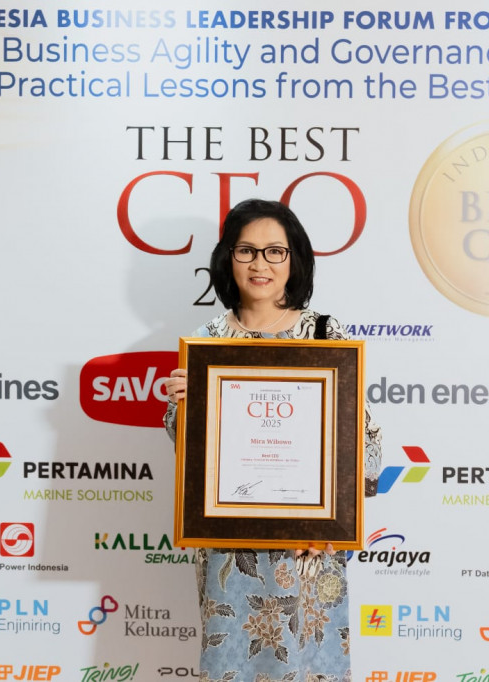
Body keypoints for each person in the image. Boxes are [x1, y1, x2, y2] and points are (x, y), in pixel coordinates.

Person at [163, 198, 382, 682]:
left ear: (294, 259)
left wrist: (331, 519)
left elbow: (362, 439)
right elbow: (194, 460)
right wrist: (182, 406)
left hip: (309, 546)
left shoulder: (324, 335)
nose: (259, 264)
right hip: (229, 546)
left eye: (274, 251)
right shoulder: (206, 341)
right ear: (228, 259)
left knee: (307, 664)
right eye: (246, 251)